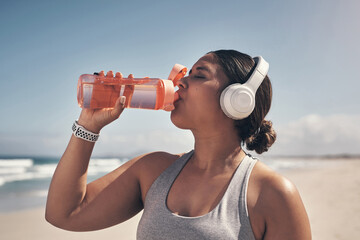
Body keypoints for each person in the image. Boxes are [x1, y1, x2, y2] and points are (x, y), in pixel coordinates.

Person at [45, 49, 311, 239]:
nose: (179, 82)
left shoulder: (271, 193)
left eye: (198, 75)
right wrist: (88, 126)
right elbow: (64, 213)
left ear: (237, 99)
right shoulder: (153, 170)